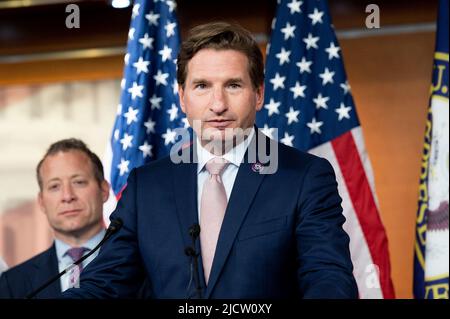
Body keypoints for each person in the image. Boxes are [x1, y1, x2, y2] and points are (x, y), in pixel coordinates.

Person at [63, 22, 358, 299]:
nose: (218, 105)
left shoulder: (304, 176)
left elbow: (328, 278)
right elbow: (104, 286)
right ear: (182, 98)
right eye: (202, 86)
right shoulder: (146, 187)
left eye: (233, 85)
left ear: (258, 94)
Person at [0, 139, 110, 298]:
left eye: (78, 182)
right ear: (41, 201)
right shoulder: (13, 283)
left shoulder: (142, 265)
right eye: (54, 186)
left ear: (104, 190)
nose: (67, 196)